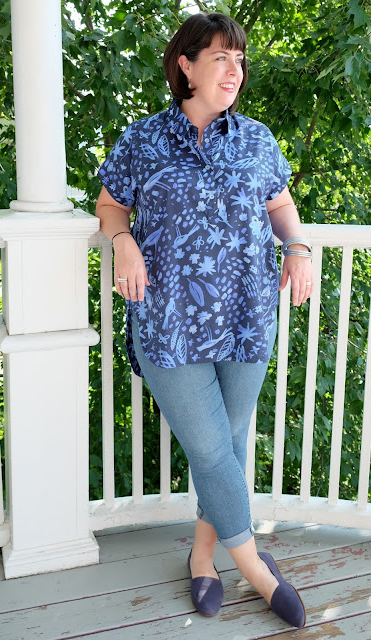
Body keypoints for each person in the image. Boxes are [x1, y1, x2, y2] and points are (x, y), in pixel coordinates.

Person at [95, 11, 313, 629]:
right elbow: (110, 205)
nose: (234, 71)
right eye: (221, 58)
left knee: (230, 443)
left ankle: (202, 556)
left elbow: (279, 203)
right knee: (212, 447)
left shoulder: (257, 139)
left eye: (239, 60)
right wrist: (123, 241)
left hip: (246, 316)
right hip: (168, 321)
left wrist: (297, 248)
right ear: (186, 65)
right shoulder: (143, 140)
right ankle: (258, 572)